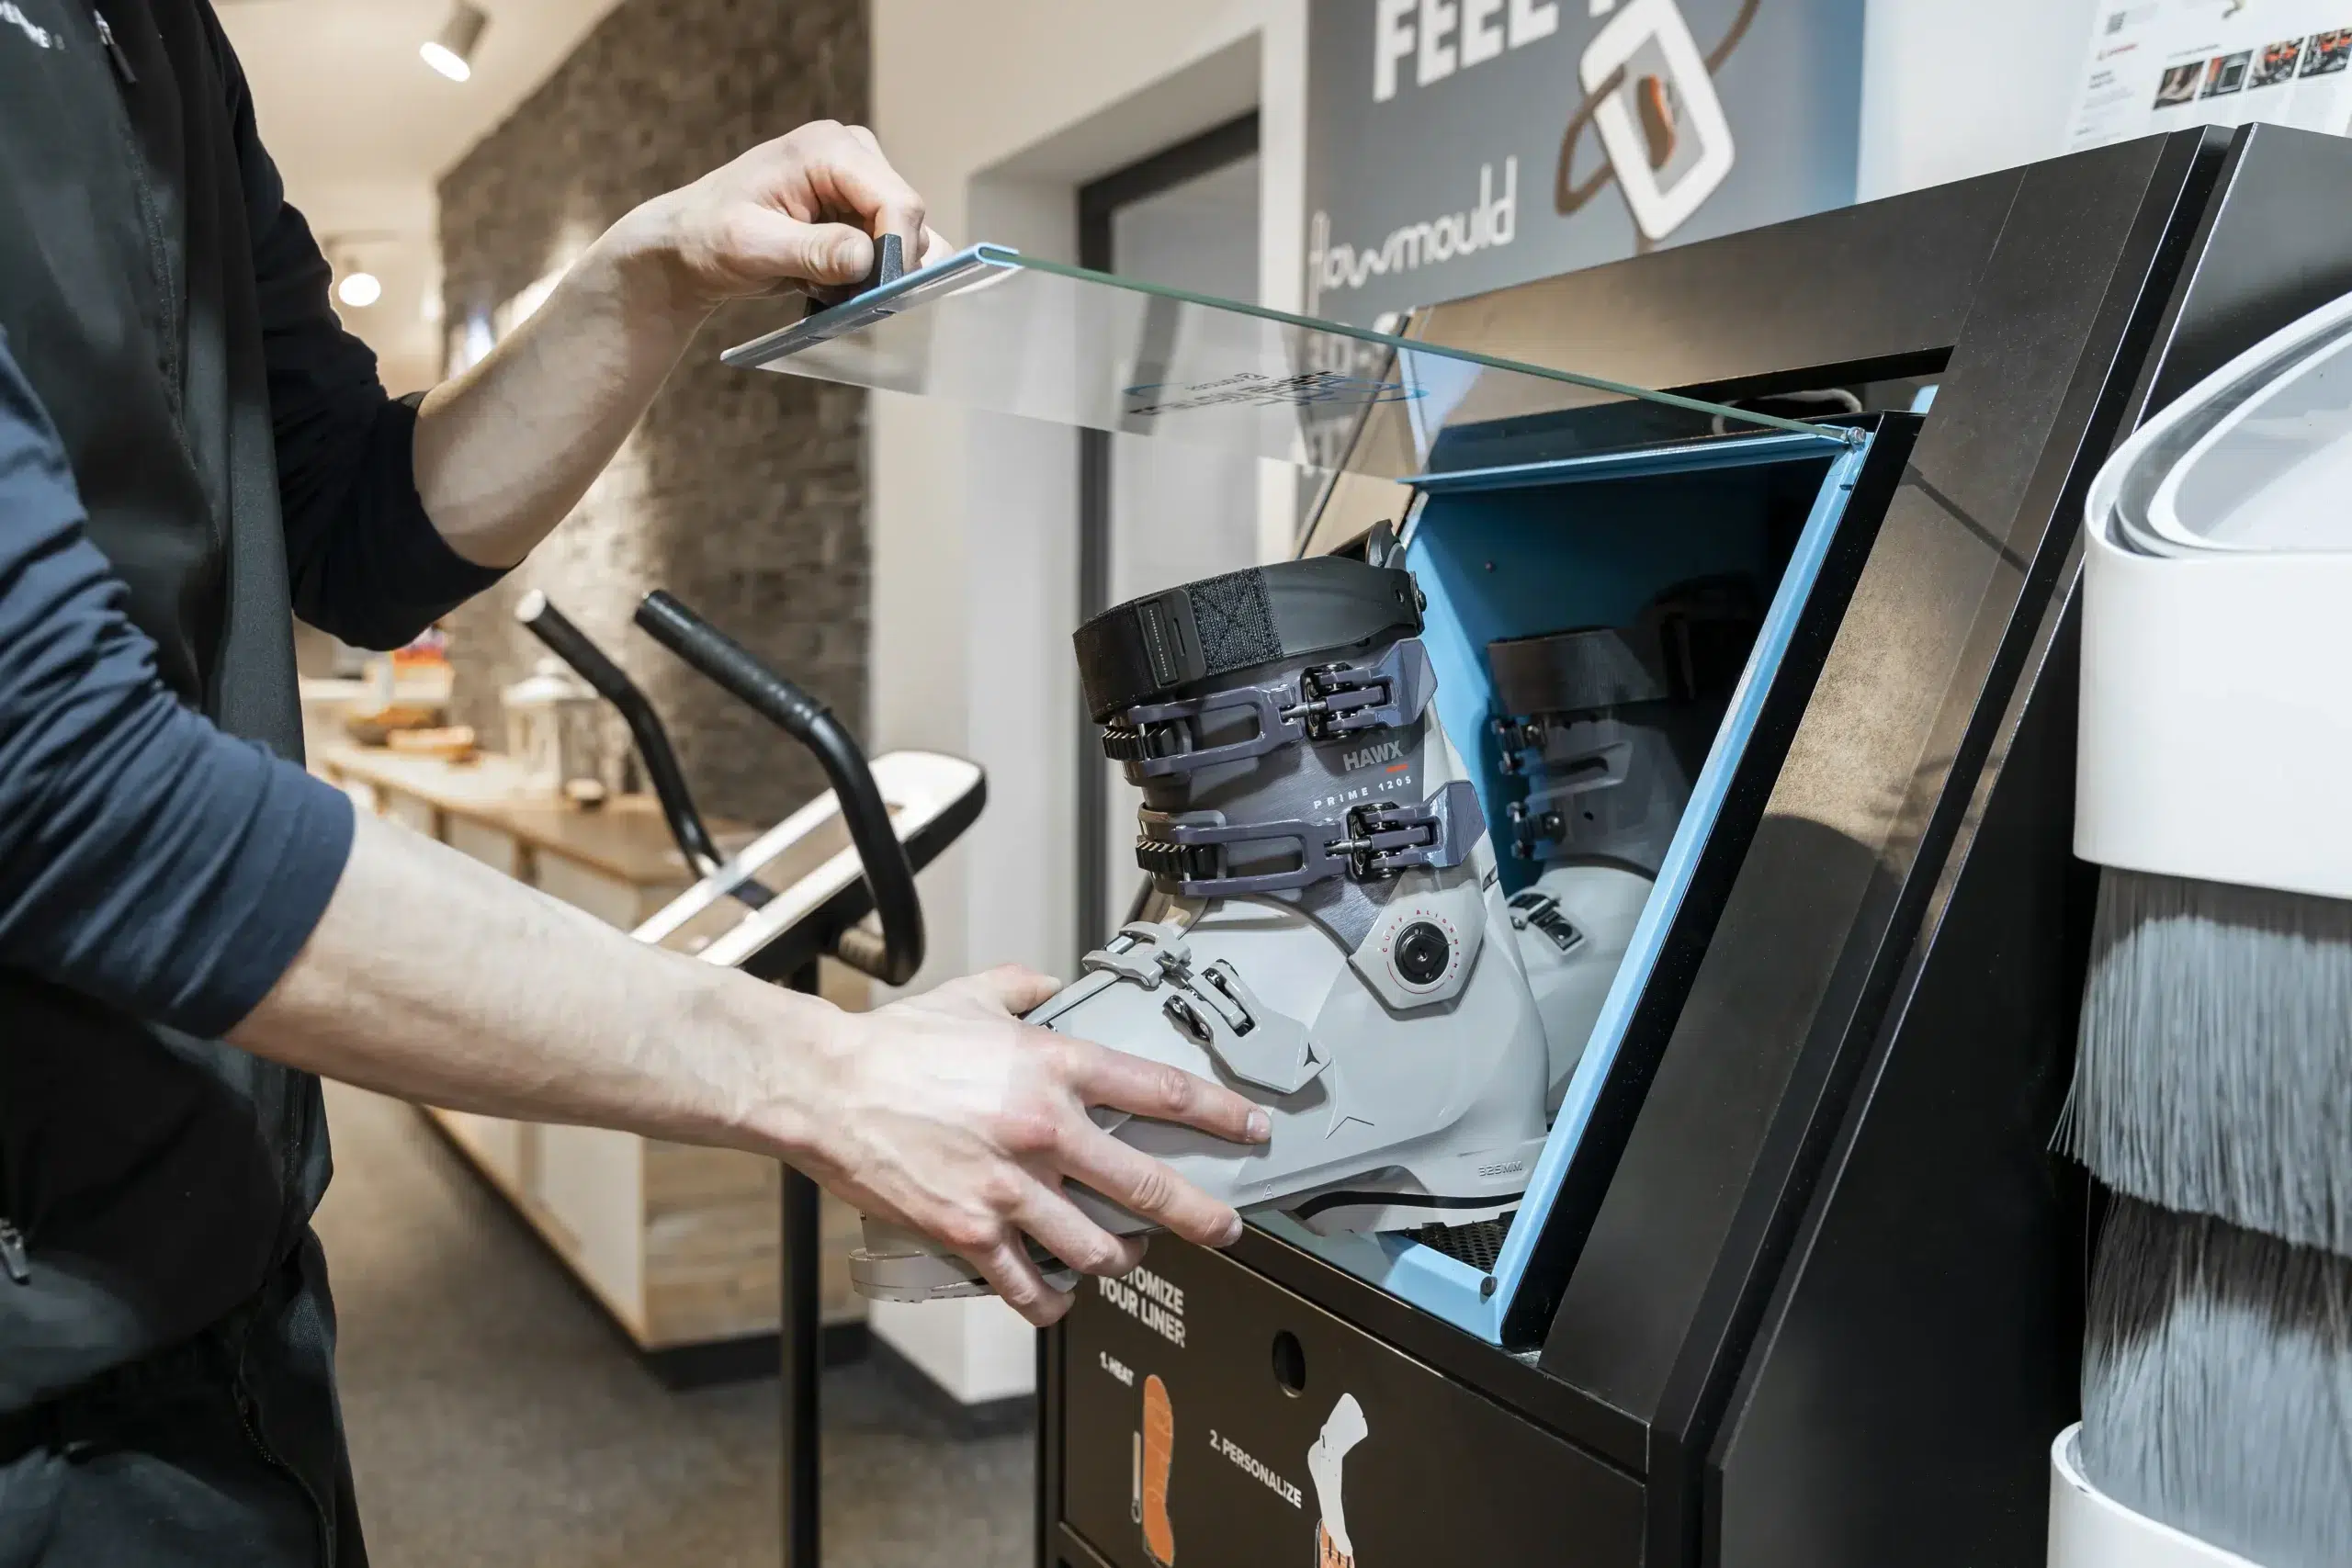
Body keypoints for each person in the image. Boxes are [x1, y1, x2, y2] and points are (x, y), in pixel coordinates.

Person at [0, 4, 1266, 1563]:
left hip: (236, 1300)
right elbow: (60, 783)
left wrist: (645, 278)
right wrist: (823, 1071)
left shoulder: (167, 42)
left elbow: (352, 521)